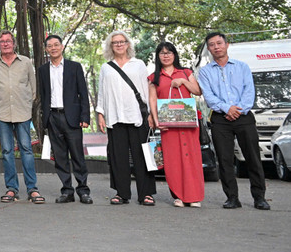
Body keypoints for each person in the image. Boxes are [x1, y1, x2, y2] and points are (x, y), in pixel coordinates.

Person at [198, 32, 270, 210]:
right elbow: (209, 96)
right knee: (224, 159)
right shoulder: (205, 72)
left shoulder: (242, 67)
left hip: (243, 116)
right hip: (220, 119)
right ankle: (232, 197)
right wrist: (226, 109)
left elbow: (249, 92)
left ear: (227, 45)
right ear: (209, 49)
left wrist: (237, 110)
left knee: (252, 157)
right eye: (212, 44)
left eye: (219, 43)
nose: (216, 47)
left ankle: (259, 197)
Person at [96, 30, 156, 206]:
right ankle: (121, 193)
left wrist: (152, 114)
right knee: (118, 157)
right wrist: (100, 114)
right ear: (111, 46)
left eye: (122, 42)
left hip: (137, 116)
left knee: (142, 156)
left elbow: (146, 90)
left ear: (128, 44)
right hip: (115, 117)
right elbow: (102, 93)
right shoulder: (106, 68)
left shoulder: (139, 65)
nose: (119, 45)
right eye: (115, 42)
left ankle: (146, 193)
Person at [0, 30, 42, 203]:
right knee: (7, 151)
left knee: (26, 149)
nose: (5, 44)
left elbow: (33, 87)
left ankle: (32, 188)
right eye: (2, 41)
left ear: (14, 43)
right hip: (2, 113)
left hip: (23, 112)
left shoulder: (25, 62)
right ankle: (11, 188)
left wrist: (26, 103)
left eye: (8, 41)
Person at [147, 41, 204, 208]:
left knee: (191, 158)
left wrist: (183, 82)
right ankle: (178, 195)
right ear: (158, 57)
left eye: (169, 52)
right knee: (173, 160)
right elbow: (152, 99)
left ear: (174, 54)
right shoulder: (154, 77)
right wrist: (156, 121)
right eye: (162, 53)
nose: (166, 55)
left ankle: (194, 196)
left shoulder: (186, 72)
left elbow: (197, 91)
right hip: (168, 124)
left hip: (188, 123)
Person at [37, 34, 92, 204]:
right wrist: (45, 118)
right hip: (53, 117)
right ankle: (67, 190)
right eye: (50, 46)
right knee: (60, 157)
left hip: (72, 118)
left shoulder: (74, 67)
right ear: (46, 49)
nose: (53, 48)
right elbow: (43, 95)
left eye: (56, 45)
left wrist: (85, 116)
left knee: (77, 156)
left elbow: (83, 93)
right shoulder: (42, 70)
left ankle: (83, 190)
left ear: (62, 47)